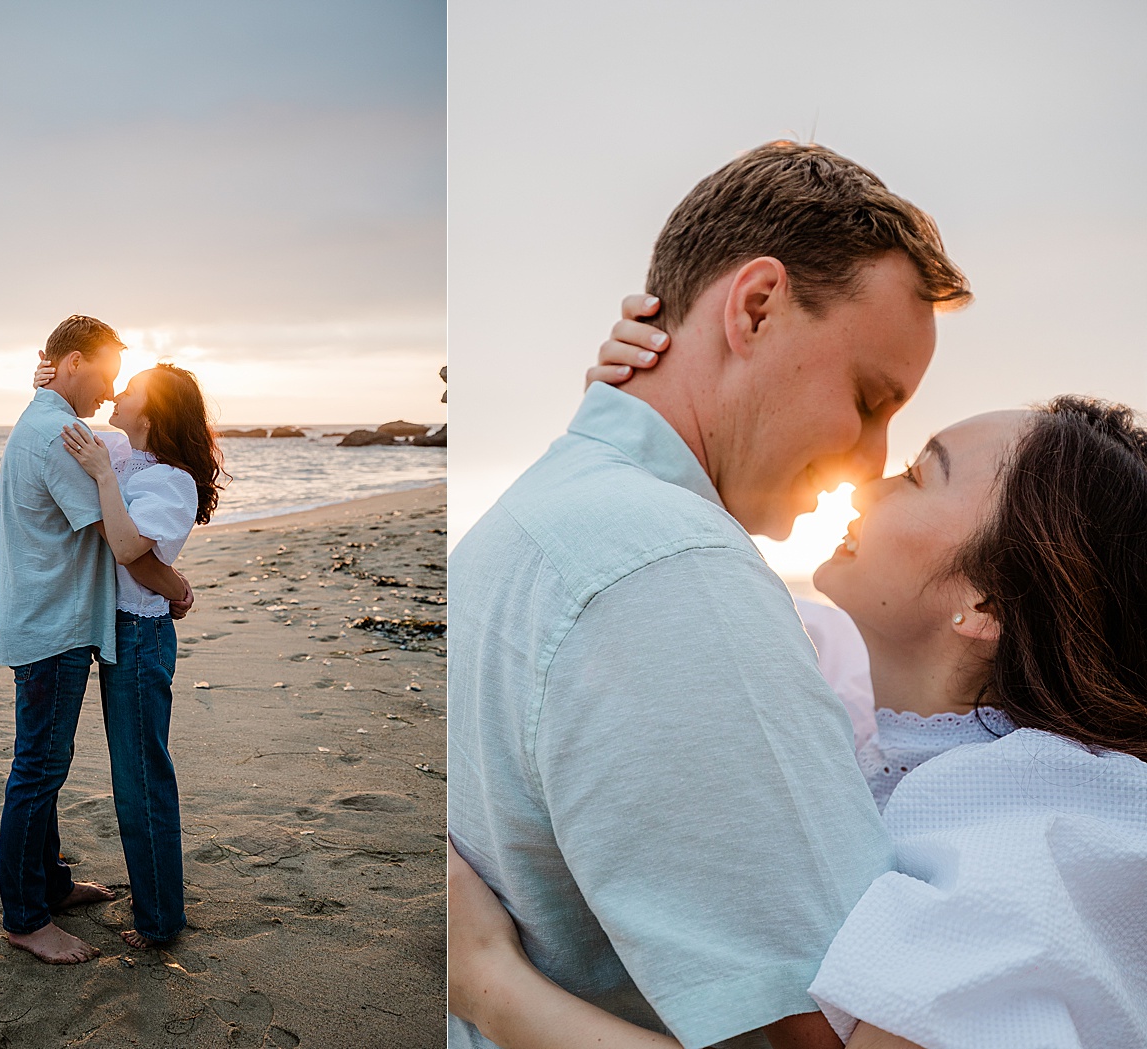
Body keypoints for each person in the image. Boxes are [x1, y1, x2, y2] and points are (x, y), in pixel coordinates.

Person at [447, 141, 971, 1048]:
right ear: (757, 306)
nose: (875, 459)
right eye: (869, 396)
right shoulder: (673, 573)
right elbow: (844, 1032)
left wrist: (490, 988)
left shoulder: (536, 518)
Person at [448, 393, 1147, 1048]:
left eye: (914, 474)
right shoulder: (924, 754)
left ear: (987, 603)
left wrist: (490, 984)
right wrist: (635, 399)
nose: (867, 480)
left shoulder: (1037, 835)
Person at [0, 315, 192, 965]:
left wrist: (43, 381)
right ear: (73, 363)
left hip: (47, 621)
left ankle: (47, 884)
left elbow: (123, 482)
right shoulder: (57, 435)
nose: (109, 391)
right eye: (104, 373)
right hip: (54, 628)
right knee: (39, 772)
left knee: (42, 767)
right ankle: (26, 917)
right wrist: (178, 587)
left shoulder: (48, 420)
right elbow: (119, 538)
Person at [40, 359, 224, 949]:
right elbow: (63, 418)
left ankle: (161, 920)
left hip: (141, 638)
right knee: (122, 772)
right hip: (106, 626)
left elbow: (125, 547)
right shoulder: (120, 450)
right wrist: (45, 379)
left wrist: (102, 478)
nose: (116, 395)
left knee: (140, 777)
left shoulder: (173, 481)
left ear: (153, 410)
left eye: (130, 389)